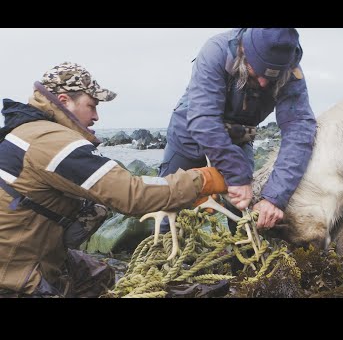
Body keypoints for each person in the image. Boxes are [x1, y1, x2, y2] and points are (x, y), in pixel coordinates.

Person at [0, 62, 227, 298]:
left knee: (97, 274)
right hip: (13, 274)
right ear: (64, 100)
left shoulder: (26, 132)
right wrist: (202, 180)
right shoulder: (52, 142)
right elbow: (131, 194)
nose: (96, 116)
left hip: (29, 253)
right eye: (92, 105)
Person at [159, 28, 316, 231]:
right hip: (189, 137)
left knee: (245, 217)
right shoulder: (215, 50)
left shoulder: (290, 70)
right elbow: (204, 119)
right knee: (169, 207)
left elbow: (299, 130)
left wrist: (275, 197)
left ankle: (242, 261)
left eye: (272, 78)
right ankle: (161, 257)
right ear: (243, 50)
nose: (263, 82)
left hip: (239, 138)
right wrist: (236, 175)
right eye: (257, 72)